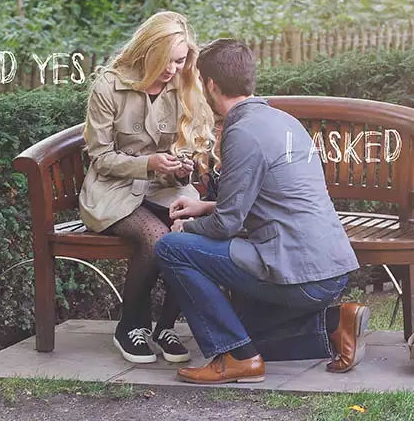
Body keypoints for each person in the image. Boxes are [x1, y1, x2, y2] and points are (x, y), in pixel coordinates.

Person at [155, 39, 369, 385]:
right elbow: (271, 197)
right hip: (330, 269)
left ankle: (237, 359)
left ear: (211, 85)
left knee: (170, 249)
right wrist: (204, 205)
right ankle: (335, 324)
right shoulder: (283, 121)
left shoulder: (242, 132)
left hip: (297, 271)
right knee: (244, 332)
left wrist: (187, 229)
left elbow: (227, 224)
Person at [78, 11, 216, 364]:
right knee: (156, 237)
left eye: (180, 59)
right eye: (166, 59)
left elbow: (187, 146)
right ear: (147, 51)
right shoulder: (109, 85)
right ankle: (130, 327)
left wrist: (182, 166)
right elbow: (100, 158)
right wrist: (148, 163)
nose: (173, 68)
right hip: (112, 188)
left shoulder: (183, 85)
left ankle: (166, 327)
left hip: (162, 186)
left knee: (186, 230)